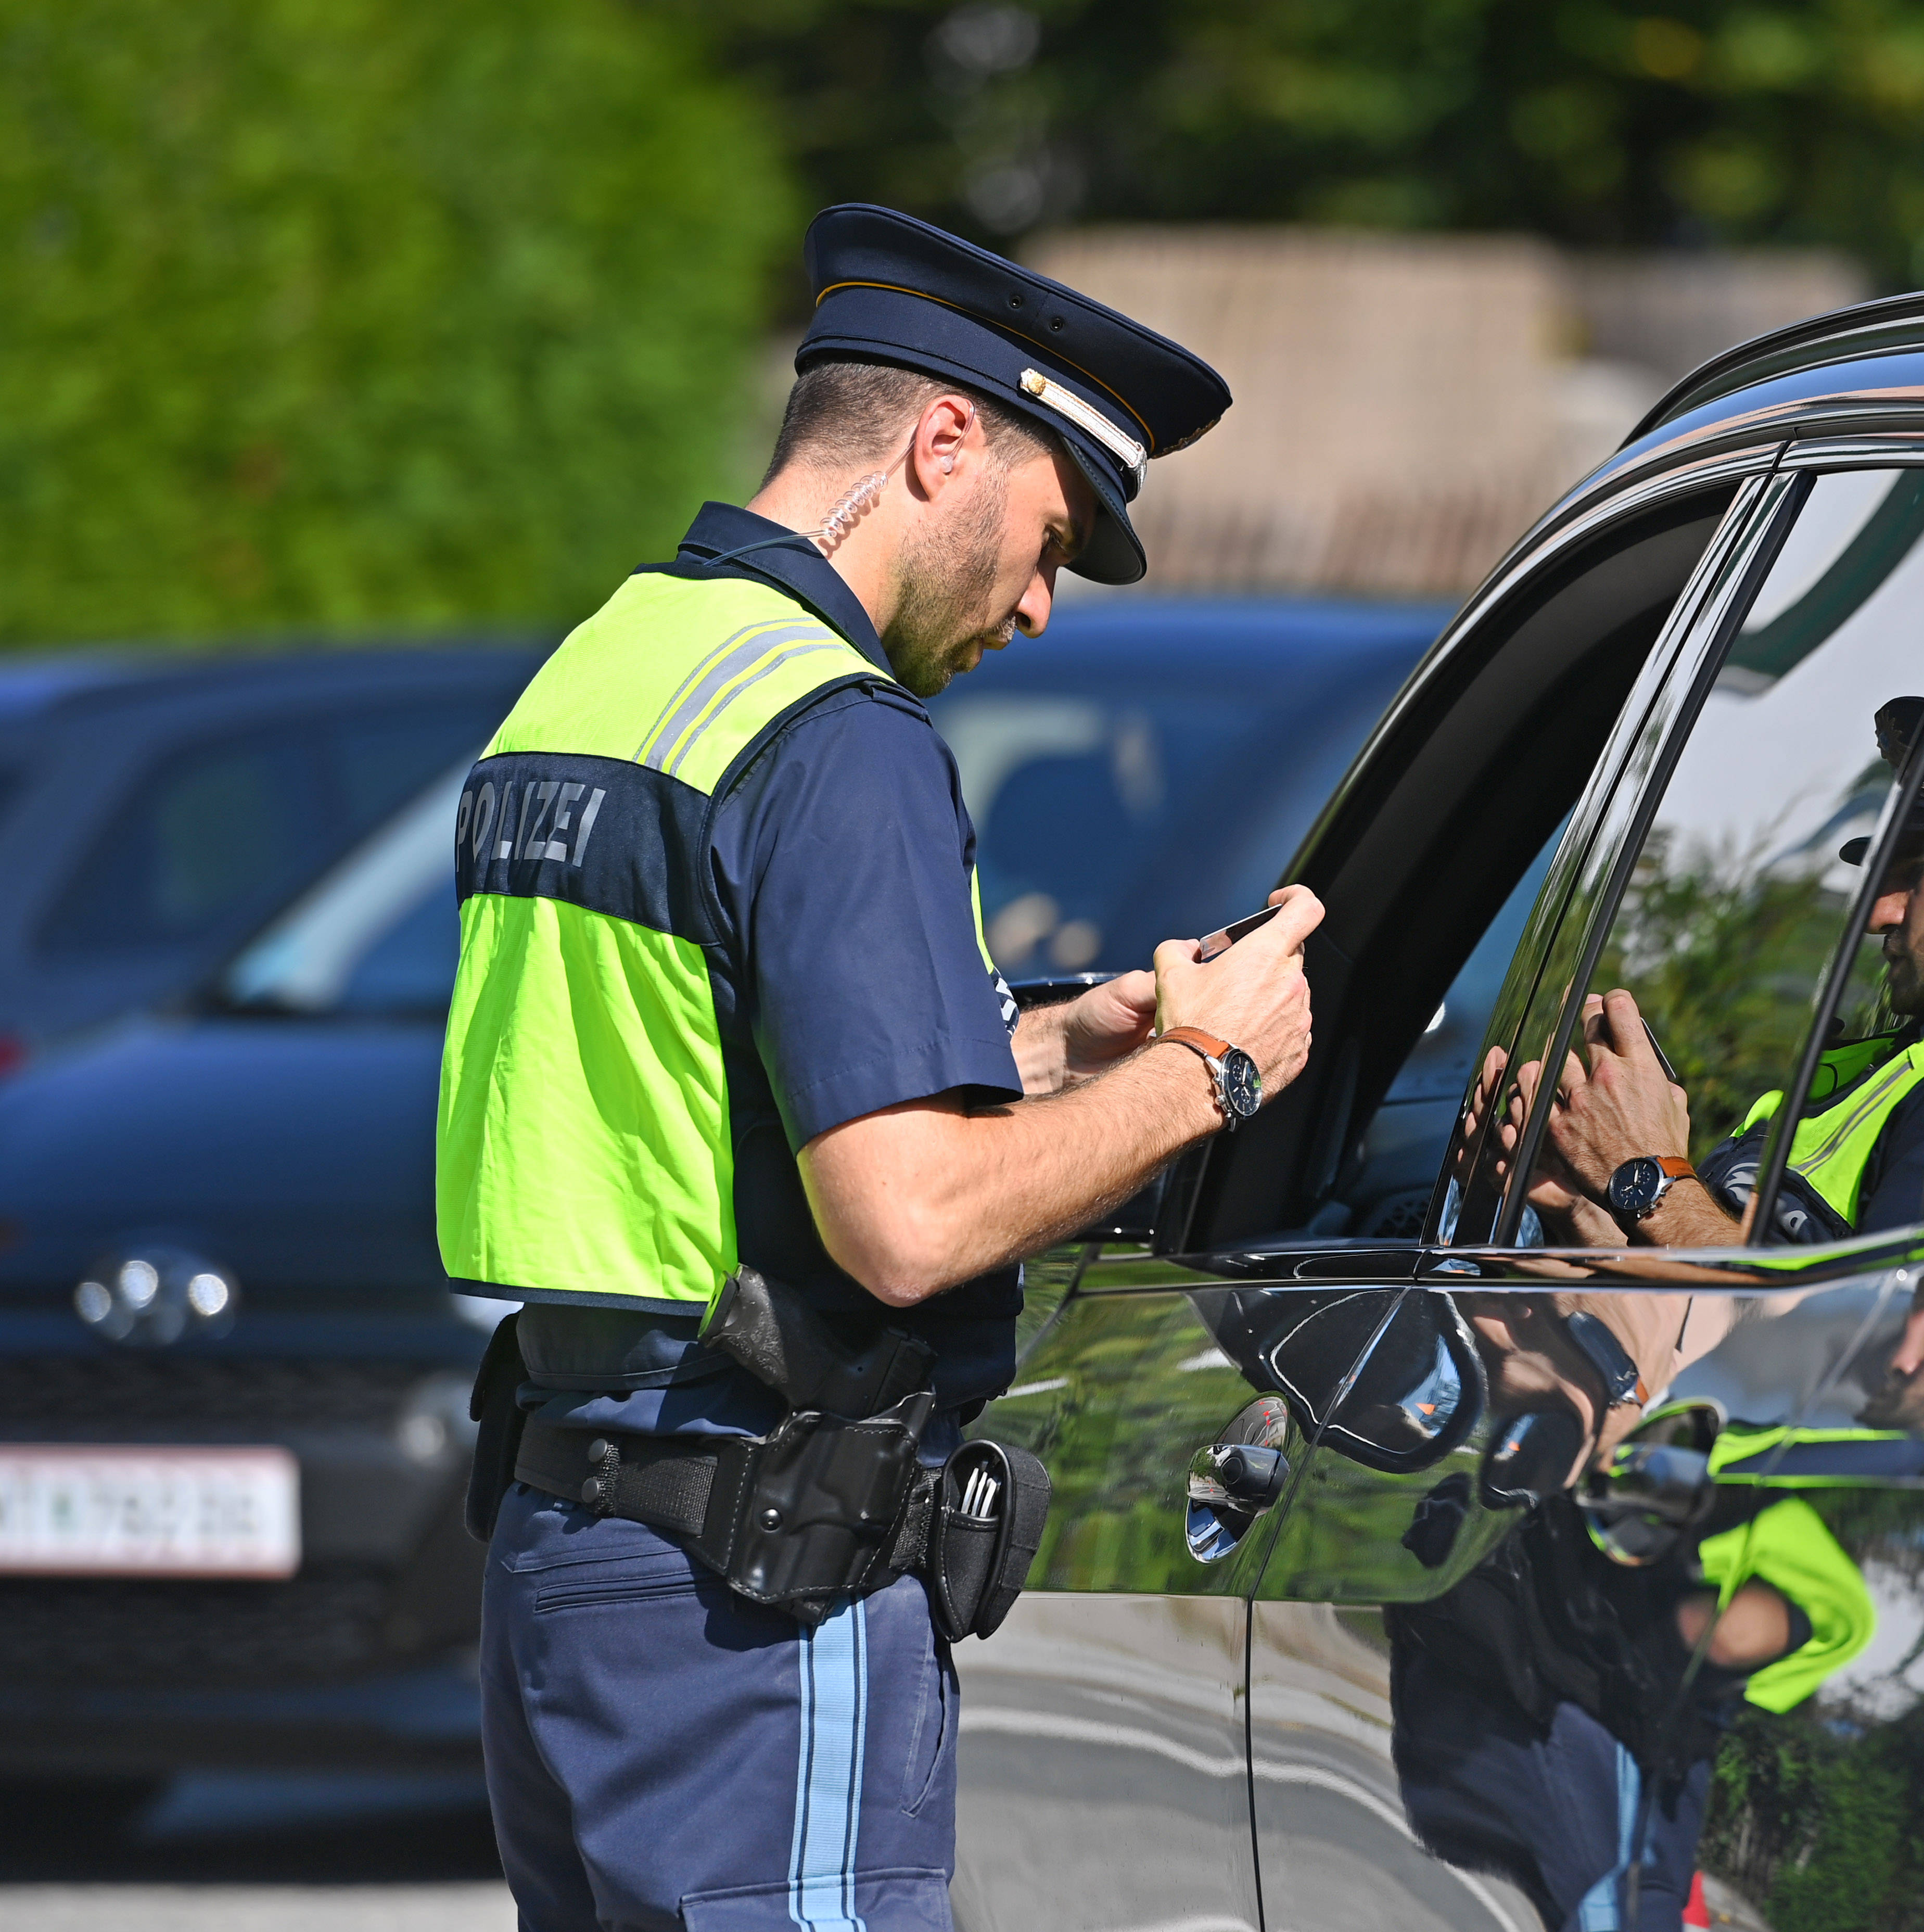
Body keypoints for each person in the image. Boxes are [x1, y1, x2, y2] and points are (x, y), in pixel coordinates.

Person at [436, 202, 1321, 1932]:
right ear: (939, 444)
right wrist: (1204, 1074)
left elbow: (707, 1076)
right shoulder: (833, 736)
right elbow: (903, 1224)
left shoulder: (608, 670)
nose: (1041, 608)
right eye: (1050, 534)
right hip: (746, 1588)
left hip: (572, 1553)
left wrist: (1065, 1041)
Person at [1531, 695, 1924, 1249]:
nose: (1879, 912)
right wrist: (1585, 1208)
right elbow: (1724, 1299)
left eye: (1917, 868)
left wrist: (1647, 1174)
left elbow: (1864, 1337)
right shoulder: (1919, 1058)